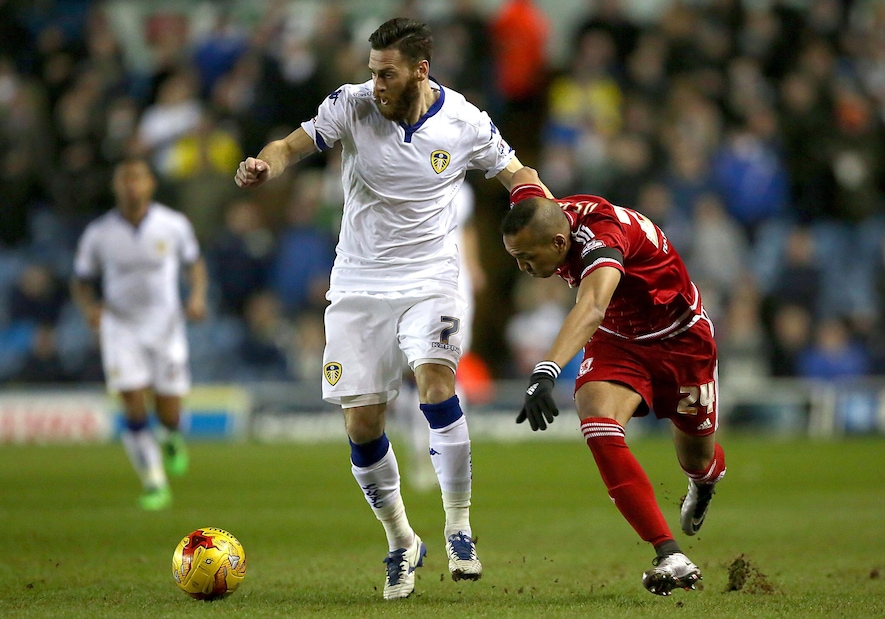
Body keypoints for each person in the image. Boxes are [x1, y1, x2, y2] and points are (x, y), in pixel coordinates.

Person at [235, 17, 546, 600]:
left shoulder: (464, 121)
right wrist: (264, 164)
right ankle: (402, 539)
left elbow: (516, 174)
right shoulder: (350, 106)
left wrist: (549, 210)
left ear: (420, 71)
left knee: (435, 382)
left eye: (386, 73)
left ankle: (458, 526)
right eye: (372, 71)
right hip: (357, 281)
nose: (375, 82)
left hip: (432, 278)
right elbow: (290, 145)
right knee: (362, 423)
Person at [501, 166, 726, 596]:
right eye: (515, 258)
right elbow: (521, 174)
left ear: (559, 243)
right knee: (596, 419)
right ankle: (669, 553)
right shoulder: (543, 217)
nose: (524, 267)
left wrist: (546, 369)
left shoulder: (602, 239)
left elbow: (592, 306)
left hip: (680, 340)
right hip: (620, 341)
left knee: (696, 458)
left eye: (527, 257)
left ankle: (704, 480)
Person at [71, 157, 208, 511]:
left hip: (166, 325)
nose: (131, 185)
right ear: (116, 186)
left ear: (150, 184)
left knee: (168, 409)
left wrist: (196, 297)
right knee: (131, 400)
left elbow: (195, 264)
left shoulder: (172, 224)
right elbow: (81, 280)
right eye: (125, 179)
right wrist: (90, 310)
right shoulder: (99, 233)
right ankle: (154, 482)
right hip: (121, 327)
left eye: (137, 178)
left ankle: (172, 435)